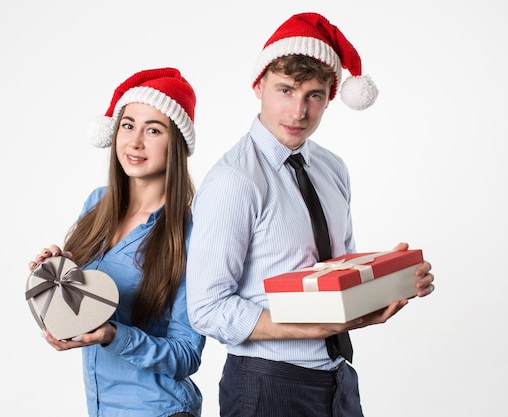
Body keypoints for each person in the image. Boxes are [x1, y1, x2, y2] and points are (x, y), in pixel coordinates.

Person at [185, 12, 435, 417]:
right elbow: (207, 308)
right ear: (259, 86)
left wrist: (385, 282)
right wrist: (312, 327)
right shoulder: (234, 181)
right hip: (266, 385)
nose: (299, 111)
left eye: (314, 95)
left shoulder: (331, 168)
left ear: (330, 97)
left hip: (337, 379)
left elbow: (333, 276)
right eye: (285, 90)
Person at [28, 67, 205, 417]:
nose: (134, 142)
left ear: (177, 144)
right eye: (128, 125)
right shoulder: (97, 203)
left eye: (153, 130)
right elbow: (84, 304)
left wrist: (113, 335)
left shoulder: (190, 235)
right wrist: (55, 271)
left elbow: (187, 354)